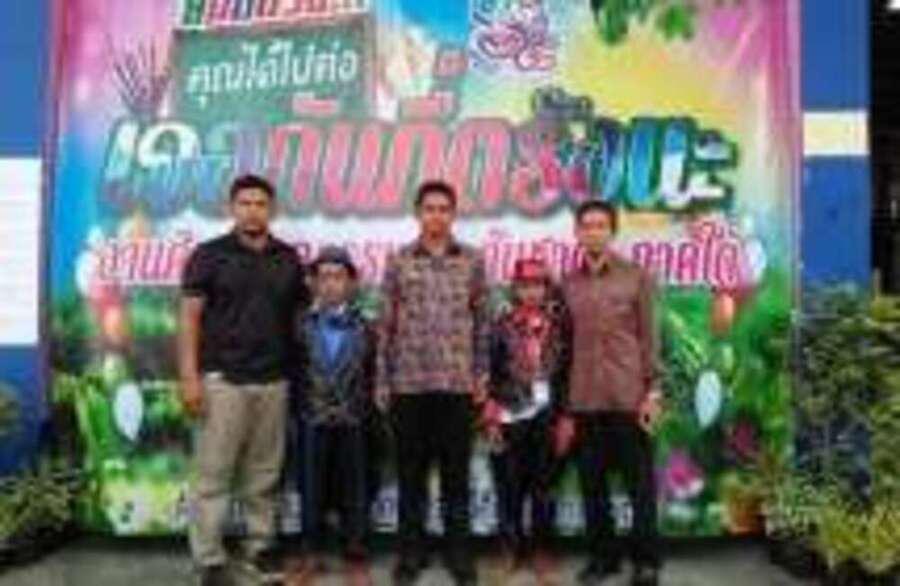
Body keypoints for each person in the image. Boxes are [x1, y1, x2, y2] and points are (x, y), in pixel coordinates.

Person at [179, 174, 308, 586]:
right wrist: (189, 377)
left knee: (264, 475)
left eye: (260, 204)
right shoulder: (208, 256)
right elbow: (189, 319)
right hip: (223, 381)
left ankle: (260, 548)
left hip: (273, 381)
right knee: (213, 475)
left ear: (272, 210)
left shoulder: (288, 258)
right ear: (232, 208)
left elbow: (299, 320)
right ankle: (209, 559)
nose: (253, 211)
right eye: (245, 203)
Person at [375, 180, 490, 586]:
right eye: (430, 208)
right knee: (411, 476)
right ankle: (411, 553)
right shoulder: (399, 261)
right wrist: (382, 381)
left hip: (457, 385)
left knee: (456, 476)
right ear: (418, 213)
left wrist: (481, 375)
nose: (437, 215)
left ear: (453, 214)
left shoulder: (472, 260)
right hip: (409, 385)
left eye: (444, 208)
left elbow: (482, 323)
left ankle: (459, 554)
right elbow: (385, 326)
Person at [557, 199, 664, 586]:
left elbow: (650, 338)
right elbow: (563, 347)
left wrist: (653, 392)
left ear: (612, 231)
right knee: (593, 488)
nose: (594, 232)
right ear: (577, 233)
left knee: (639, 487)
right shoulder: (568, 284)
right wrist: (565, 408)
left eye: (601, 225)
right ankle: (603, 559)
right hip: (585, 401)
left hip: (628, 399)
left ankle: (646, 561)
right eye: (587, 226)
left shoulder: (637, 278)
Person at [291, 246, 376, 584]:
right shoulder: (299, 325)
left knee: (355, 488)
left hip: (354, 420)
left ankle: (355, 553)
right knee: (310, 488)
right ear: (313, 282)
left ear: (351, 283)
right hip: (312, 419)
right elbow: (293, 371)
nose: (330, 284)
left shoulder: (366, 326)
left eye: (338, 276)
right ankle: (310, 553)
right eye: (324, 277)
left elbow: (375, 373)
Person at [481, 258, 569, 578]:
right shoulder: (500, 326)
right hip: (509, 416)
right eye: (525, 286)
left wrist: (566, 418)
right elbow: (487, 372)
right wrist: (490, 417)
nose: (532, 292)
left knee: (544, 487)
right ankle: (510, 549)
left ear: (547, 289)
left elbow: (567, 375)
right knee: (509, 487)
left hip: (546, 418)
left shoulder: (559, 326)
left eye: (538, 285)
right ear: (515, 289)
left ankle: (542, 549)